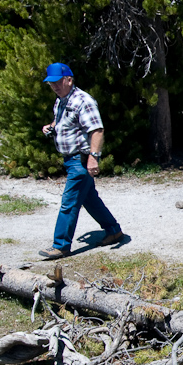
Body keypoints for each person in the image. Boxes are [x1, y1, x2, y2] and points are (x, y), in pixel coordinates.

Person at [38, 62, 123, 260]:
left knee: (69, 203)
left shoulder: (83, 101)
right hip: (70, 160)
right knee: (89, 199)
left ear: (69, 79)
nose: (55, 86)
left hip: (81, 160)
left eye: (58, 82)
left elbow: (97, 130)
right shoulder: (61, 100)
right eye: (51, 83)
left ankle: (61, 245)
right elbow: (64, 122)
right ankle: (113, 230)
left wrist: (94, 158)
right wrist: (51, 126)